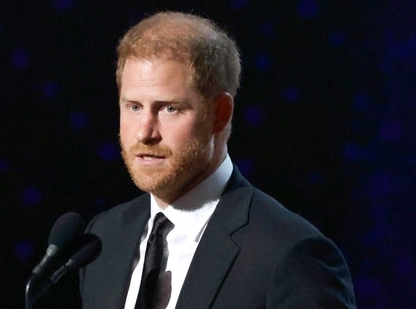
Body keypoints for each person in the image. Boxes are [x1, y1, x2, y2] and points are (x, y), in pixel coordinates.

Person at [79, 11, 356, 308]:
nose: (144, 133)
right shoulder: (102, 238)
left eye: (169, 109)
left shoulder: (290, 257)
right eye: (134, 107)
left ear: (220, 113)